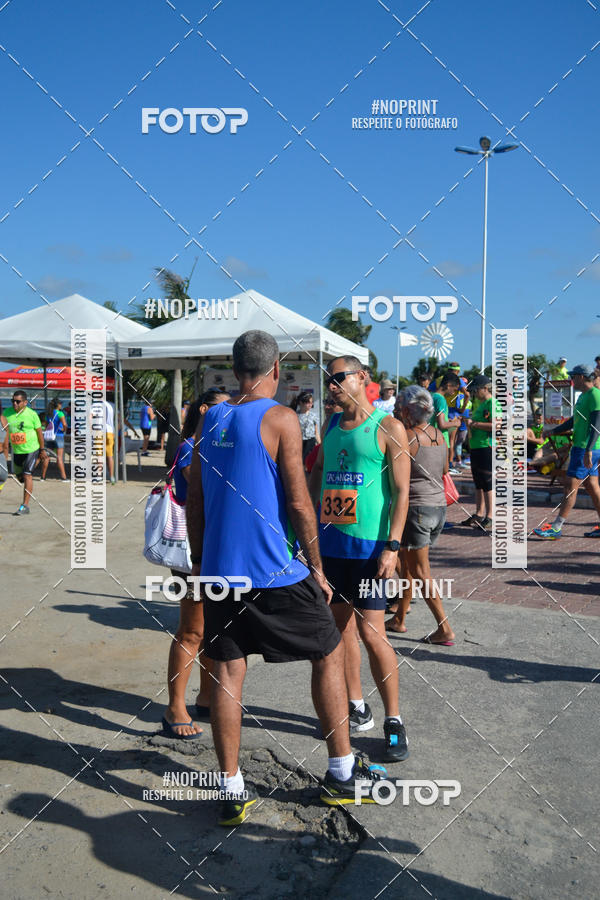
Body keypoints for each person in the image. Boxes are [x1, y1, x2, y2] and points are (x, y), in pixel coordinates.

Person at [186, 331, 385, 825]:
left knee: (229, 673)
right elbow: (299, 501)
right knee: (330, 651)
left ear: (235, 371)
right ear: (275, 369)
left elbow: (196, 501)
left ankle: (230, 790)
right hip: (274, 572)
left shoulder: (210, 419)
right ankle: (341, 774)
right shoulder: (281, 418)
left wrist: (199, 563)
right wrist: (317, 566)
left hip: (219, 574)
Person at [308, 356, 410, 763]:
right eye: (327, 380)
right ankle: (355, 705)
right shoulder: (330, 426)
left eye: (339, 377)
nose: (332, 385)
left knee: (372, 634)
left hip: (370, 551)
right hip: (332, 549)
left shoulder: (388, 427)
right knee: (339, 633)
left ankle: (395, 720)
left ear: (363, 378)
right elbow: (317, 478)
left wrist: (393, 546)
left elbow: (402, 492)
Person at [163, 389, 231, 740]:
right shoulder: (191, 448)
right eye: (223, 405)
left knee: (211, 630)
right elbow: (208, 487)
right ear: (204, 409)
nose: (230, 411)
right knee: (191, 630)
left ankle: (206, 697)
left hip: (213, 550)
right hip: (191, 554)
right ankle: (175, 706)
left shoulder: (209, 449)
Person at [386, 386, 454, 645]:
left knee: (421, 571)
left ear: (406, 410)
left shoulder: (409, 438)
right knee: (409, 569)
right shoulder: (439, 434)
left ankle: (444, 628)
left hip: (416, 511)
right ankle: (399, 618)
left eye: (398, 408)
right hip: (438, 508)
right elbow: (446, 468)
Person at [534, 364, 600, 539]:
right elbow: (574, 420)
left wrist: (588, 450)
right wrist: (553, 431)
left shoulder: (595, 395)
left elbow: (596, 425)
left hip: (586, 448)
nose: (571, 379)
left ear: (580, 377)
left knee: (570, 486)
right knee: (592, 486)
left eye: (573, 376)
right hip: (583, 447)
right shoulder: (583, 396)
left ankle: (556, 528)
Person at [460, 375, 501, 531]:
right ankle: (478, 513)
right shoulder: (481, 403)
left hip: (487, 446)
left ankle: (490, 516)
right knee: (478, 482)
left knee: (487, 481)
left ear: (485, 388)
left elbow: (496, 425)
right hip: (477, 446)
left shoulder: (493, 403)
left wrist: (474, 424)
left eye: (477, 390)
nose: (475, 393)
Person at [4, 390, 48, 515]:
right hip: (17, 451)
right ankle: (38, 461)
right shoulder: (7, 413)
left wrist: (42, 449)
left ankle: (25, 506)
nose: (15, 404)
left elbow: (40, 433)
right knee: (20, 478)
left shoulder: (32, 414)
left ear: (25, 402)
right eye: (13, 401)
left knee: (28, 474)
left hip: (31, 449)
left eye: (18, 402)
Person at [430, 373, 461, 451]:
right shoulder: (441, 399)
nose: (454, 393)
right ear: (448, 385)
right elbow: (442, 425)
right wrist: (456, 423)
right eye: (454, 389)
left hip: (431, 438)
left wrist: (448, 420)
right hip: (440, 440)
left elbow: (435, 418)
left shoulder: (431, 396)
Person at [44, 399, 68, 482]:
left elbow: (47, 425)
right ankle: (63, 477)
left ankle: (43, 477)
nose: (61, 405)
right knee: (59, 458)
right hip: (58, 436)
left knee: (46, 457)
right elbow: (65, 424)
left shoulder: (49, 413)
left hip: (50, 436)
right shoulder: (60, 413)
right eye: (60, 403)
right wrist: (64, 429)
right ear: (57, 405)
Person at [294, 391, 320, 461]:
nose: (310, 405)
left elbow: (316, 433)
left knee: (309, 462)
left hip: (311, 442)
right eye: (308, 402)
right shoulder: (294, 415)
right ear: (301, 402)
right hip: (299, 442)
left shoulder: (313, 416)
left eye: (311, 403)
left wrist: (320, 445)